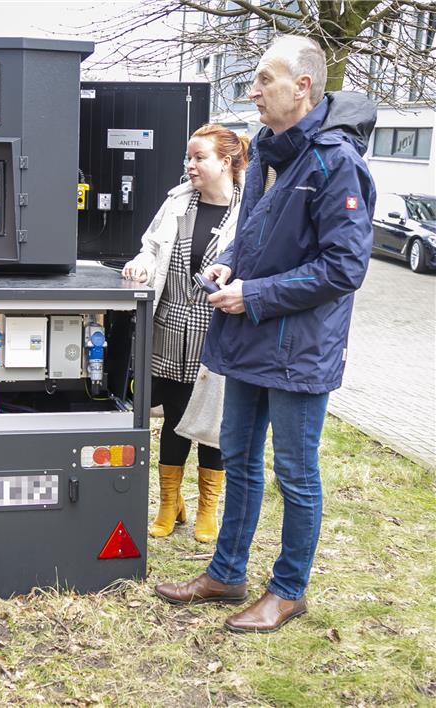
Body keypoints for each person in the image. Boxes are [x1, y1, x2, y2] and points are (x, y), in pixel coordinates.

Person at [155, 35, 376, 633]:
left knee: (296, 475)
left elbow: (344, 268)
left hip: (299, 350)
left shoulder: (336, 162)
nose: (251, 90)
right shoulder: (270, 156)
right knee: (240, 461)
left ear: (303, 86)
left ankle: (289, 589)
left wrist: (253, 293)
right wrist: (232, 266)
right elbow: (254, 238)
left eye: (264, 79)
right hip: (249, 340)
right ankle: (227, 573)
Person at [123, 125, 248, 543]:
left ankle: (208, 509)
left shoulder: (250, 211)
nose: (189, 166)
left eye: (198, 158)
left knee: (213, 423)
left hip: (218, 335)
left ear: (226, 163)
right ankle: (168, 504)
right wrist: (140, 262)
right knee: (174, 418)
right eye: (187, 158)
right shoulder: (178, 202)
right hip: (169, 330)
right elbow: (151, 247)